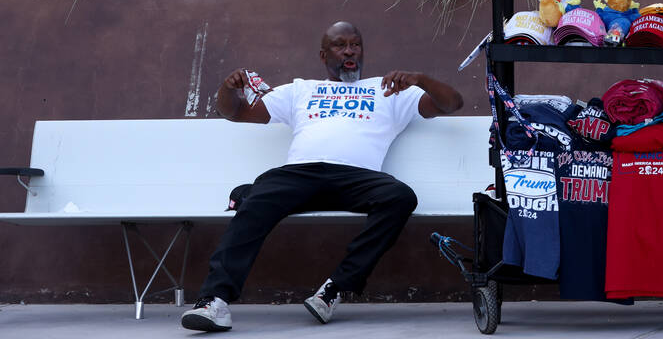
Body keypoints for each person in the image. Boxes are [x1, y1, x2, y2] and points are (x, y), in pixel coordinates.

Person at [181, 21, 464, 332]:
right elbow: (235, 113)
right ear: (322, 54)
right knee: (255, 201)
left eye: (355, 45)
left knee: (401, 197)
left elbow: (452, 103)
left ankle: (334, 289)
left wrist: (420, 80)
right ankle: (214, 302)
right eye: (340, 45)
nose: (349, 51)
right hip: (299, 175)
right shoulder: (301, 90)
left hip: (357, 179)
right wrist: (229, 88)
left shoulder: (388, 91)